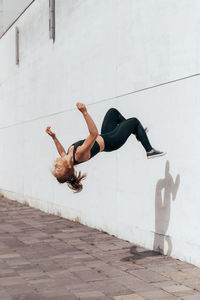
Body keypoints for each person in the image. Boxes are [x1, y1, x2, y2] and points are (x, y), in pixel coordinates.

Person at [46, 103, 166, 192]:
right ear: (68, 166)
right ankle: (149, 150)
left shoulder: (67, 156)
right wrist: (84, 113)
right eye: (58, 167)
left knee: (113, 112)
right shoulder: (79, 154)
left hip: (106, 135)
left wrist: (54, 137)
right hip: (113, 141)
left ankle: (139, 133)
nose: (55, 164)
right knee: (134, 121)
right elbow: (93, 134)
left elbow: (61, 151)